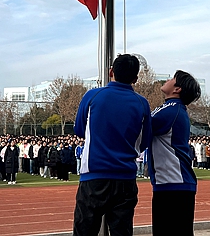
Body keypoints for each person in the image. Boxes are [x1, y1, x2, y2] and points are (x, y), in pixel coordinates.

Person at [72, 54, 152, 236]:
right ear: (135, 79)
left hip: (94, 176)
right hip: (125, 178)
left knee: (84, 231)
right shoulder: (142, 103)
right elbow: (144, 142)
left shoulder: (92, 96)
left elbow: (80, 130)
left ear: (111, 72)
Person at [149, 70, 202, 236]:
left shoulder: (171, 110)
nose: (168, 79)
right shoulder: (171, 109)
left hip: (173, 183)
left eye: (172, 78)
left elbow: (140, 125)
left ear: (177, 89)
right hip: (172, 182)